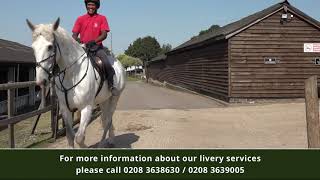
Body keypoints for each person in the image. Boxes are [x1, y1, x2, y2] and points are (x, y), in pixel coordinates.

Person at [72, 0, 118, 95]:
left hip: (97, 48)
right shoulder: (80, 19)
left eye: (93, 5)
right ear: (86, 5)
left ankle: (111, 85)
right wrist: (76, 40)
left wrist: (94, 41)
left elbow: (104, 34)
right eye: (89, 4)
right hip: (83, 48)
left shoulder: (102, 18)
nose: (90, 7)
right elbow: (74, 34)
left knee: (106, 62)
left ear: (97, 6)